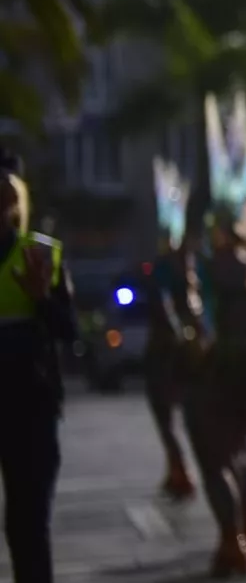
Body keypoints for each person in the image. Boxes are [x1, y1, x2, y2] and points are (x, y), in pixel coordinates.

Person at [181, 96, 246, 578]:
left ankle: (231, 538)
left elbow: (195, 317)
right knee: (241, 448)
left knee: (214, 455)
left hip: (221, 371)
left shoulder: (213, 265)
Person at [0, 153, 74, 583]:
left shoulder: (41, 255)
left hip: (30, 407)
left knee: (26, 529)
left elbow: (69, 331)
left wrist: (40, 297)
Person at [146, 161, 196, 504]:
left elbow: (166, 304)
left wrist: (176, 333)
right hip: (184, 344)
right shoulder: (186, 264)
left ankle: (179, 468)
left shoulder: (167, 267)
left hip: (168, 347)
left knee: (166, 413)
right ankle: (177, 466)